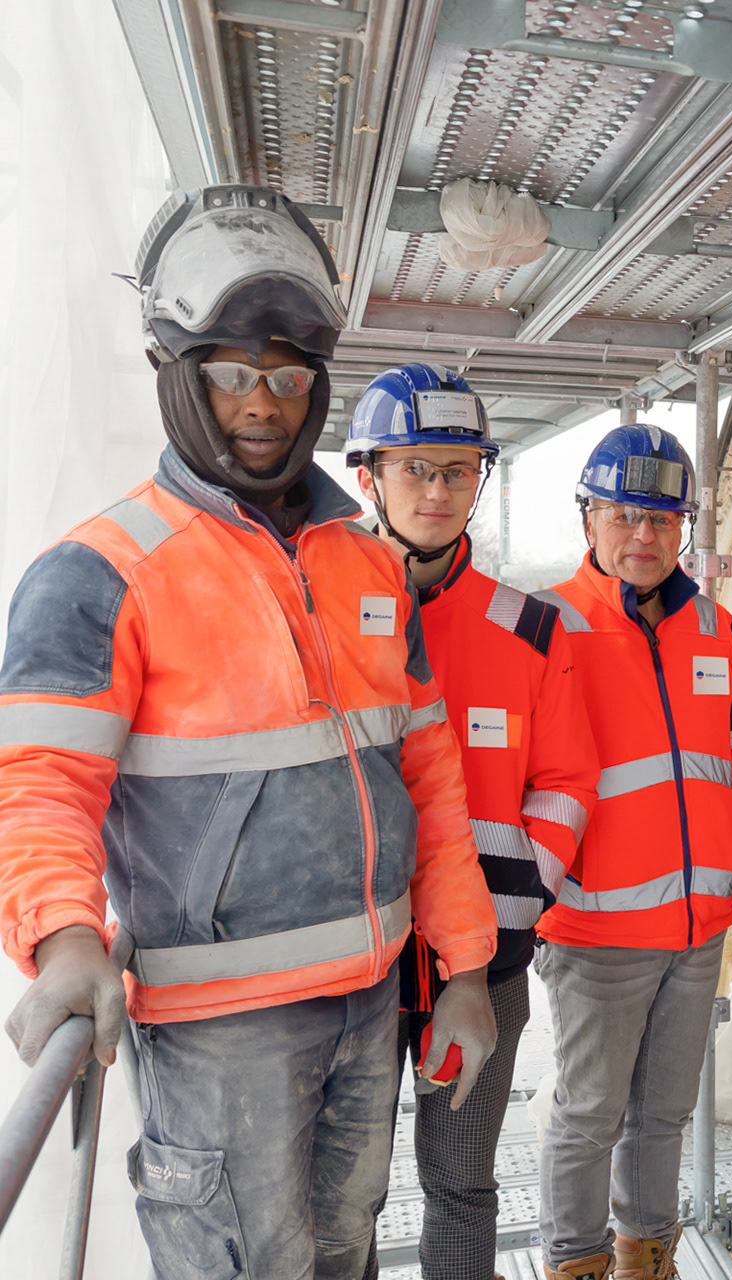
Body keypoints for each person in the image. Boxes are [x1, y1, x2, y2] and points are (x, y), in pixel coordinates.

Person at [0, 185, 497, 1278]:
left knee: (346, 1249)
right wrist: (66, 938)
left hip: (368, 1004)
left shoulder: (367, 565)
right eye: (230, 372)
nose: (262, 402)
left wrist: (463, 962)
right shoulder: (100, 572)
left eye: (286, 374)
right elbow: (41, 784)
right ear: (177, 374)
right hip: (221, 1037)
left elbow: (428, 771)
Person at [346, 364, 599, 1280]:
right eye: (416, 468)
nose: (439, 490)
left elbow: (569, 782)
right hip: (354, 965)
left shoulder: (528, 628)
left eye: (457, 470)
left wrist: (505, 923)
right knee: (347, 1192)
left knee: (461, 1184)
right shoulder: (323, 616)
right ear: (368, 477)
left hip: (486, 966)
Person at [532, 424, 732, 1280]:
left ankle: (649, 1259)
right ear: (590, 518)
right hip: (597, 933)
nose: (645, 537)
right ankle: (575, 1263)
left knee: (665, 1112)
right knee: (590, 1112)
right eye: (627, 516)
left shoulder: (711, 626)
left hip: (696, 924)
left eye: (664, 520)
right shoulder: (549, 625)